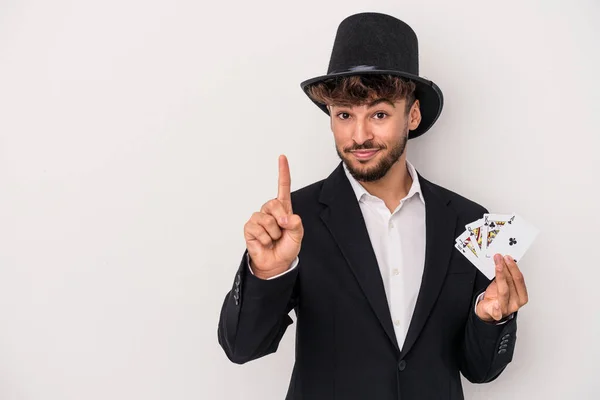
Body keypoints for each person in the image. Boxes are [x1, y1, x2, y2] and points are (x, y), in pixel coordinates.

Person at [217, 12, 528, 400]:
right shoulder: (294, 220)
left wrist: (490, 317)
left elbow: (480, 371)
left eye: (379, 114)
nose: (359, 135)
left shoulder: (469, 221)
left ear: (412, 115)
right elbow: (241, 347)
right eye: (345, 115)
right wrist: (267, 273)